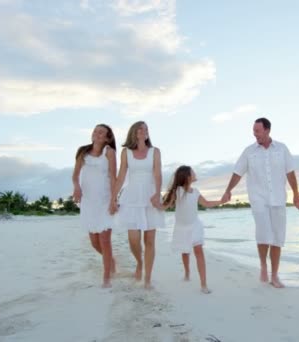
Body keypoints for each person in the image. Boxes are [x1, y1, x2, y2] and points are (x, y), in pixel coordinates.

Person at [221, 117, 299, 288]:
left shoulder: (282, 149)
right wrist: (228, 190)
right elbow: (237, 173)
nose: (255, 134)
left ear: (267, 130)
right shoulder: (249, 151)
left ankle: (274, 275)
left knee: (277, 237)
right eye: (254, 131)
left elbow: (290, 173)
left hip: (279, 198)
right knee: (264, 233)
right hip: (258, 199)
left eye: (257, 131)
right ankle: (263, 266)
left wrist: (296, 194)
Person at [110, 121, 164, 289]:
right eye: (140, 129)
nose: (144, 131)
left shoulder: (155, 152)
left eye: (146, 129)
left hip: (150, 195)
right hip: (132, 196)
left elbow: (158, 173)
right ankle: (139, 262)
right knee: (133, 239)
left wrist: (157, 193)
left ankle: (147, 278)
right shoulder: (126, 152)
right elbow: (120, 176)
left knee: (149, 240)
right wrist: (113, 198)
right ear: (134, 132)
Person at [160, 165, 227, 294]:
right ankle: (187, 272)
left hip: (195, 226)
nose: (195, 173)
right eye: (193, 172)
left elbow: (206, 203)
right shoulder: (177, 191)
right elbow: (166, 205)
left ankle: (203, 284)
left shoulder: (195, 192)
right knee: (185, 252)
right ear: (187, 176)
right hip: (182, 228)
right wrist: (156, 206)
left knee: (199, 251)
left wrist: (221, 201)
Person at [72, 124, 117, 288]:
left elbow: (113, 177)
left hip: (105, 200)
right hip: (88, 202)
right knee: (94, 243)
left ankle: (106, 278)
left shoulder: (109, 152)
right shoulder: (82, 152)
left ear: (107, 138)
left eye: (101, 132)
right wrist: (76, 187)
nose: (97, 134)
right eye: (95, 131)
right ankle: (111, 260)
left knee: (105, 240)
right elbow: (75, 176)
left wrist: (114, 200)